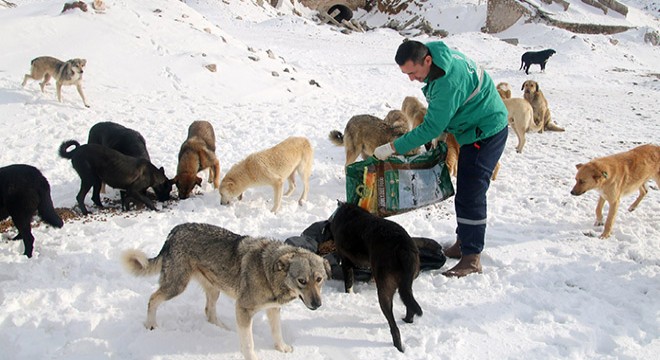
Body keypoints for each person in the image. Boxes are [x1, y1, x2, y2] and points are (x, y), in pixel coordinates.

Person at [373, 40, 508, 278]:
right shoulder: (436, 53)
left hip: (486, 131)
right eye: (406, 74)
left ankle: (472, 257)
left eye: (413, 73)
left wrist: (393, 147)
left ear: (426, 61)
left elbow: (430, 128)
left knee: (471, 192)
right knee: (466, 189)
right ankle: (463, 242)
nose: (411, 79)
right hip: (473, 126)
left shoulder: (447, 83)